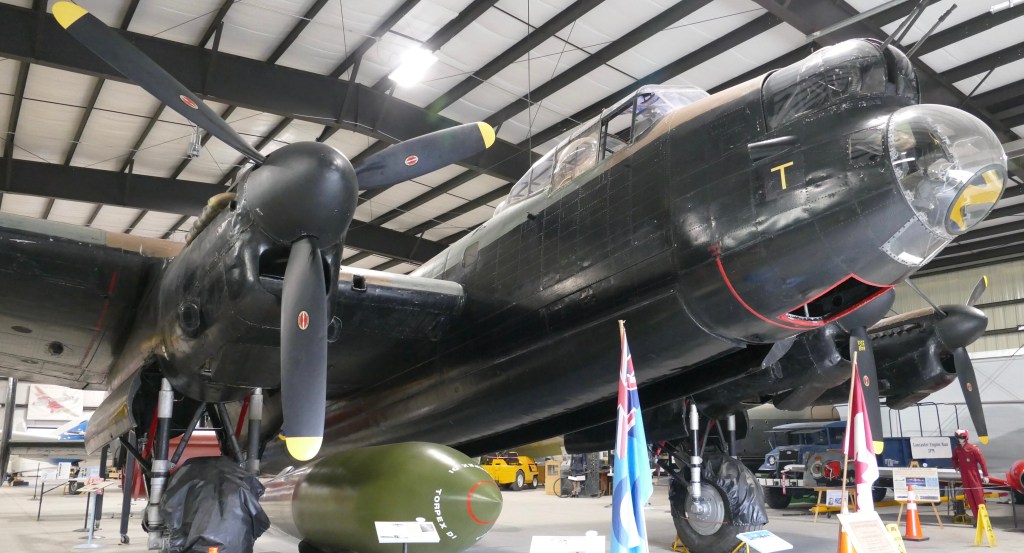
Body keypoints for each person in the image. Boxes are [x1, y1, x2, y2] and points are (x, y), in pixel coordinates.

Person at [951, 429, 990, 520]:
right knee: (970, 499)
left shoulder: (973, 448)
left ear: (966, 438)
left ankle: (984, 520)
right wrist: (957, 467)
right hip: (964, 477)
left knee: (979, 498)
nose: (960, 439)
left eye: (962, 437)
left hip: (974, 476)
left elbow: (982, 462)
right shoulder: (958, 450)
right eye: (958, 437)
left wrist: (986, 475)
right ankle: (977, 519)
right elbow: (954, 458)